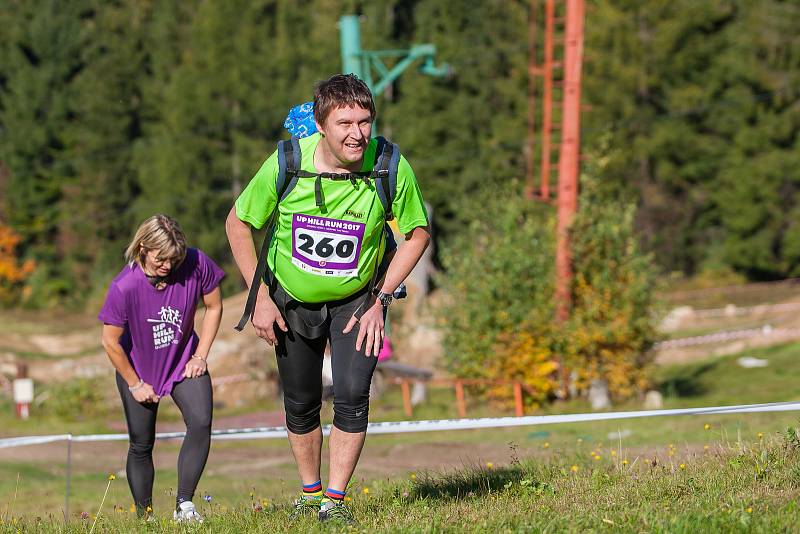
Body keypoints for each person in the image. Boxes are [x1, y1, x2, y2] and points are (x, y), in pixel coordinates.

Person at [226, 73, 430, 524]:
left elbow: (416, 234)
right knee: (300, 403)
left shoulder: (390, 164)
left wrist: (381, 298)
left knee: (353, 395)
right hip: (290, 300)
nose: (357, 133)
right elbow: (238, 224)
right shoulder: (286, 162)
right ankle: (310, 491)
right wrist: (258, 296)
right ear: (321, 125)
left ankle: (334, 504)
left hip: (359, 300)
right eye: (345, 123)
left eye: (364, 121)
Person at [98, 214, 224, 522]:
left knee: (201, 420)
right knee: (142, 443)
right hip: (139, 369)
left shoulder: (196, 264)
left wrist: (201, 355)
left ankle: (184, 505)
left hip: (183, 359)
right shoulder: (124, 286)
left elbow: (214, 306)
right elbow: (110, 342)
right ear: (143, 247)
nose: (168, 265)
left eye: (174, 258)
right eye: (161, 259)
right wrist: (134, 383)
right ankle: (146, 516)